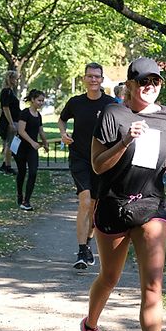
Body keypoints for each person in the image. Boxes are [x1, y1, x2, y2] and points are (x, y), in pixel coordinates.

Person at [78, 57, 166, 331]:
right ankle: (91, 326)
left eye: (156, 81)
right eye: (143, 82)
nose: (150, 87)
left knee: (153, 285)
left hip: (151, 205)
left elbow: (163, 154)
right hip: (114, 206)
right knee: (109, 277)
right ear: (131, 85)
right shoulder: (113, 115)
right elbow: (97, 165)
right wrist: (125, 140)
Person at [58, 63, 116, 269]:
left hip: (101, 160)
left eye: (97, 77)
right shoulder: (75, 102)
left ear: (102, 80)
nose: (93, 80)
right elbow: (62, 120)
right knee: (84, 201)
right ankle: (82, 250)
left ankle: (88, 244)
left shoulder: (110, 103)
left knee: (93, 205)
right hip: (79, 158)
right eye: (89, 76)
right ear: (84, 79)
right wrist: (63, 134)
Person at [14, 89, 49, 211]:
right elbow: (21, 131)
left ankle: (26, 201)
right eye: (39, 100)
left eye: (42, 101)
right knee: (22, 172)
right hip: (21, 147)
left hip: (32, 149)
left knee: (33, 172)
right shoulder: (25, 113)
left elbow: (41, 130)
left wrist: (45, 143)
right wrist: (32, 142)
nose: (41, 103)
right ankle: (19, 194)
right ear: (32, 100)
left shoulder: (38, 115)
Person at [0, 71, 21, 175]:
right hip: (9, 122)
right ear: (10, 79)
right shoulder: (6, 92)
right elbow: (6, 108)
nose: (16, 81)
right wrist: (11, 123)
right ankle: (7, 167)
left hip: (15, 120)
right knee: (10, 144)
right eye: (15, 79)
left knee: (15, 143)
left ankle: (4, 164)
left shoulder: (11, 91)